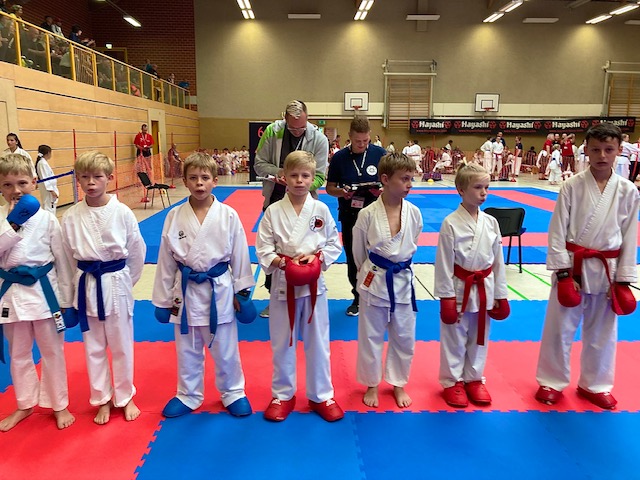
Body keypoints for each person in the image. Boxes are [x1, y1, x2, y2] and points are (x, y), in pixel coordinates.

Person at [535, 122, 639, 410]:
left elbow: (630, 235)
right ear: (586, 150)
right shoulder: (572, 186)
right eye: (596, 150)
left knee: (603, 331)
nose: (602, 156)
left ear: (619, 150)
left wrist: (624, 278)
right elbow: (557, 229)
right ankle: (551, 381)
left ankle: (595, 384)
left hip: (608, 269)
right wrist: (563, 272)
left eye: (608, 149)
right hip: (574, 266)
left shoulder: (628, 190)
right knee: (559, 328)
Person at [152, 152, 255, 418]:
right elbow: (166, 260)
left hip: (218, 289)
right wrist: (162, 300)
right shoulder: (174, 216)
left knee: (226, 347)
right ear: (185, 181)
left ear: (215, 181)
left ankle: (233, 391)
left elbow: (240, 254)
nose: (199, 183)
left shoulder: (228, 215)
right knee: (187, 349)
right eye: (193, 178)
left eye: (205, 178)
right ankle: (188, 394)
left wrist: (243, 293)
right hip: (185, 291)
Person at [256, 150, 343, 422]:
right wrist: (283, 262)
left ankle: (321, 395)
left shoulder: (321, 210)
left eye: (305, 175)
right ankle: (283, 395)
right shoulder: (273, 211)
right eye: (293, 175)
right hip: (284, 284)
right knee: (282, 342)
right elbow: (263, 248)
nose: (299, 181)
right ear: (283, 177)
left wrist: (317, 259)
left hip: (315, 284)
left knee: (319, 341)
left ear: (313, 178)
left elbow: (334, 243)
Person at [61, 151, 146, 425]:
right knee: (94, 347)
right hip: (86, 283)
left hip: (116, 281)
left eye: (97, 177)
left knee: (121, 345)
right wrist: (69, 298)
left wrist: (126, 281)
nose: (91, 182)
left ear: (110, 177)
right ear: (77, 179)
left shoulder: (122, 212)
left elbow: (137, 252)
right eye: (84, 177)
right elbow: (67, 259)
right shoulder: (71, 216)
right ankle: (102, 399)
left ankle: (125, 396)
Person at [0, 154, 74, 432]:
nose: (16, 190)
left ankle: (59, 404)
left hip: (45, 295)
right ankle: (25, 403)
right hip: (11, 294)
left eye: (22, 183)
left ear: (34, 182)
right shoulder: (1, 218)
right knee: (18, 353)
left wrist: (66, 300)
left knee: (52, 351)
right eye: (8, 184)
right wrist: (12, 224)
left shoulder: (48, 219)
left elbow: (63, 261)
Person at [434, 162, 509, 408]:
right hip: (459, 287)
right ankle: (452, 381)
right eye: (478, 187)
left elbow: (498, 261)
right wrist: (446, 297)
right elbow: (443, 262)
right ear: (461, 190)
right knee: (455, 337)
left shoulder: (491, 222)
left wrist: (501, 294)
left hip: (484, 287)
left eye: (486, 187)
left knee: (480, 336)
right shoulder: (450, 223)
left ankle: (474, 378)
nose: (484, 192)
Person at [353, 152, 421, 409]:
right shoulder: (367, 214)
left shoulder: (414, 213)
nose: (409, 184)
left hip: (402, 280)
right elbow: (359, 253)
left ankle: (398, 382)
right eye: (404, 179)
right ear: (385, 179)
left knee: (405, 336)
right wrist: (369, 273)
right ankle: (372, 383)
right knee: (370, 336)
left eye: (411, 178)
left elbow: (412, 243)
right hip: (375, 281)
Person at [254, 100, 328, 318]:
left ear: (308, 119)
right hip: (275, 197)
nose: (297, 131)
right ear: (284, 120)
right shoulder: (272, 131)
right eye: (292, 128)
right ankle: (274, 296)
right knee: (274, 248)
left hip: (306, 201)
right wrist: (281, 173)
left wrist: (300, 184)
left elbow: (320, 176)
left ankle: (307, 294)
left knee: (306, 249)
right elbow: (258, 164)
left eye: (301, 127)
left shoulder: (319, 138)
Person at [326, 116, 386, 316]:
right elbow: (330, 187)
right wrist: (342, 192)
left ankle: (379, 294)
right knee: (354, 257)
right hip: (350, 214)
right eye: (357, 141)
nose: (361, 144)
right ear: (349, 136)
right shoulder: (339, 158)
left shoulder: (380, 154)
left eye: (365, 141)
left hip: (377, 213)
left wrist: (382, 190)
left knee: (379, 254)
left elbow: (390, 182)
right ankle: (358, 296)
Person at [35, 145, 59, 213]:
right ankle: (49, 219)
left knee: (50, 206)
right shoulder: (42, 163)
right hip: (48, 190)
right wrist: (51, 190)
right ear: (48, 153)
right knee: (49, 207)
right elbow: (45, 178)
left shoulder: (43, 162)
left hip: (48, 189)